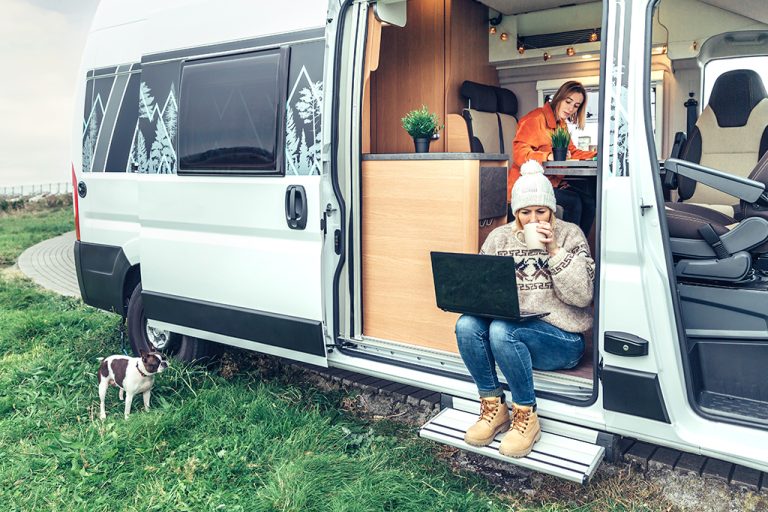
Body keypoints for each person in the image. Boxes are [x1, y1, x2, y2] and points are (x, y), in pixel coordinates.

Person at [455, 160, 594, 458]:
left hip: (563, 339)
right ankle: (494, 407)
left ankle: (526, 416)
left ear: (552, 210)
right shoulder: (499, 238)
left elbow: (583, 296)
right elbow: (481, 290)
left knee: (504, 331)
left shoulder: (571, 235)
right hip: (511, 330)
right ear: (515, 212)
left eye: (541, 211)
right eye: (525, 212)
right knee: (467, 324)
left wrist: (554, 251)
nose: (533, 219)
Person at [510, 81, 597, 235]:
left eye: (576, 106)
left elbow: (572, 152)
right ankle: (566, 245)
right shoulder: (534, 119)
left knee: (589, 202)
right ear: (559, 98)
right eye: (568, 102)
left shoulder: (561, 125)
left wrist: (598, 154)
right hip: (528, 184)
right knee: (573, 202)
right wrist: (547, 156)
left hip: (552, 183)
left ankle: (578, 245)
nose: (571, 108)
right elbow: (519, 154)